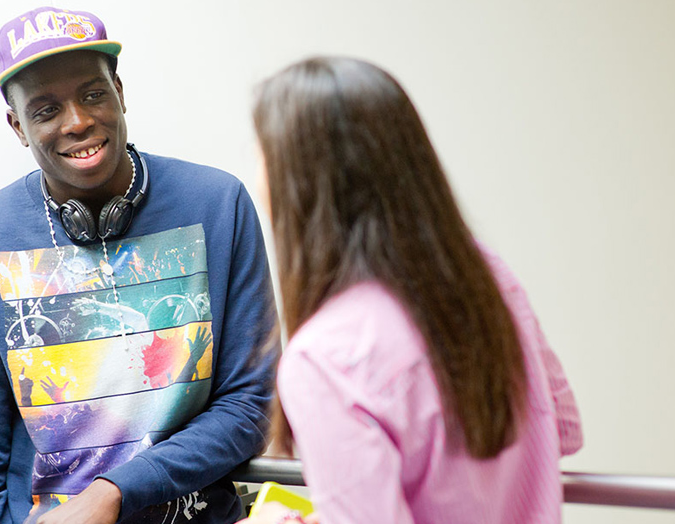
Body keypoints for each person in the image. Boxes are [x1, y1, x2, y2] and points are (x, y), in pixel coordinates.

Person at [0, 7, 276, 524]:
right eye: (46, 109)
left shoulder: (217, 203)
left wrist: (110, 492)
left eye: (93, 94)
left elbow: (250, 405)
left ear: (120, 91)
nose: (78, 122)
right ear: (18, 127)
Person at [240, 57, 583, 524]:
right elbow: (562, 430)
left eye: (262, 152)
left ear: (301, 179)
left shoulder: (325, 358)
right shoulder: (486, 271)